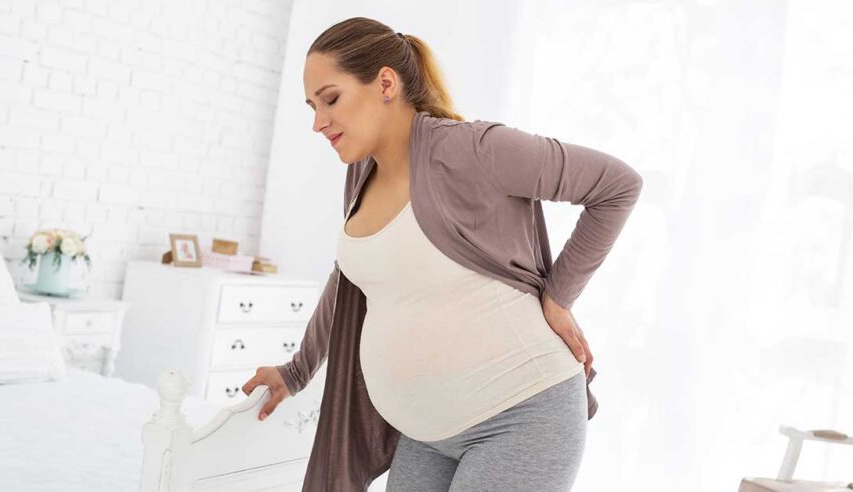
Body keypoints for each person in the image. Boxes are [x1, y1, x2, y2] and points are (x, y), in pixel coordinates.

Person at [242, 16, 643, 492]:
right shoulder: (361, 174)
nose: (318, 122)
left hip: (520, 415)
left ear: (385, 83)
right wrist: (296, 370)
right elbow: (349, 278)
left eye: (330, 99)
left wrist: (558, 298)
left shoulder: (472, 149)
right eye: (312, 107)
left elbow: (616, 186)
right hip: (426, 434)